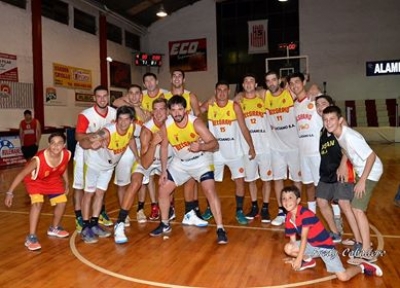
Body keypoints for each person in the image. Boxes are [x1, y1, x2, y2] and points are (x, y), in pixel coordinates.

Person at [150, 96, 228, 244]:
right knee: (163, 189)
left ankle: (220, 228)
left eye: (179, 109)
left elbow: (215, 144)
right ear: (169, 112)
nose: (177, 113)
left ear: (185, 110)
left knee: (209, 190)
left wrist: (201, 146)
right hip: (180, 162)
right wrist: (164, 170)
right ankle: (165, 224)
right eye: (173, 110)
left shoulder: (196, 123)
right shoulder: (166, 126)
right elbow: (165, 147)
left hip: (200, 160)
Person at [282, 185, 383, 280]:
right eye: (284, 198)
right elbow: (293, 241)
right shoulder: (289, 217)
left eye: (290, 198)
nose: (286, 201)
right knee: (288, 248)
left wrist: (299, 258)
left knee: (343, 277)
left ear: (298, 200)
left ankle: (362, 266)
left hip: (326, 247)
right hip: (312, 245)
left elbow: (303, 237)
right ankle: (308, 261)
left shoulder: (305, 214)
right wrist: (294, 256)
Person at [322, 105, 383, 261]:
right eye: (326, 120)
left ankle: (367, 250)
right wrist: (344, 164)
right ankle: (361, 241)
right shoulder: (337, 134)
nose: (328, 123)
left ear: (340, 120)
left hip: (370, 172)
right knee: (351, 206)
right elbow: (345, 150)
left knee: (357, 209)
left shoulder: (350, 136)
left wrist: (362, 180)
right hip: (360, 171)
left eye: (332, 119)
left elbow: (371, 157)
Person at [114, 98, 173, 244]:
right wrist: (153, 143)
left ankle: (170, 218)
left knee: (170, 183)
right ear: (152, 111)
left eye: (161, 109)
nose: (158, 113)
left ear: (167, 111)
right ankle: (120, 223)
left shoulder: (174, 124)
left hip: (168, 160)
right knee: (135, 182)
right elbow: (146, 164)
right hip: (148, 160)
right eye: (156, 109)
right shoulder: (147, 130)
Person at [79, 106, 137, 244]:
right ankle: (85, 227)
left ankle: (94, 223)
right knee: (89, 193)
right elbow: (83, 142)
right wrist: (91, 145)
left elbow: (131, 139)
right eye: (120, 119)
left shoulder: (131, 128)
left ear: (132, 121)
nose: (123, 123)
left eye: (126, 119)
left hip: (108, 167)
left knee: (100, 194)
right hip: (93, 163)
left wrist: (138, 156)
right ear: (116, 120)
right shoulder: (107, 132)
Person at [201, 80, 256, 225]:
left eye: (225, 90)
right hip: (216, 153)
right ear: (215, 91)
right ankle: (209, 208)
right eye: (219, 90)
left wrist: (251, 146)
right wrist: (206, 102)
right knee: (209, 181)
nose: (222, 93)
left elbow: (244, 128)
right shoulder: (211, 106)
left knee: (239, 181)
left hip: (234, 152)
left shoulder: (234, 106)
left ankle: (239, 211)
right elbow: (197, 112)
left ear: (229, 92)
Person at [4, 132, 71, 251]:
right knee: (37, 204)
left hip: (52, 180)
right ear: (49, 144)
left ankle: (54, 228)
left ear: (64, 145)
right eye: (53, 143)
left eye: (59, 143)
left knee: (62, 202)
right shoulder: (39, 159)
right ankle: (31, 237)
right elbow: (22, 174)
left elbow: (63, 166)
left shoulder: (66, 154)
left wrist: (66, 182)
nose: (56, 146)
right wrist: (10, 193)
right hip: (35, 181)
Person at [315, 95, 361, 246]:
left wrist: (342, 164)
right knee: (321, 201)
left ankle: (359, 241)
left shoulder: (341, 126)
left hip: (342, 172)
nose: (320, 106)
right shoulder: (323, 129)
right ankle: (335, 233)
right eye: (317, 104)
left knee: (344, 204)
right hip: (326, 175)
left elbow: (349, 146)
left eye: (323, 103)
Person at [73, 85, 116, 233]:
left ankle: (98, 214)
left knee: (100, 188)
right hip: (84, 151)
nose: (102, 99)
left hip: (104, 154)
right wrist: (96, 136)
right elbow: (78, 137)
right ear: (94, 98)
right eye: (99, 96)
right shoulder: (85, 115)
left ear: (108, 97)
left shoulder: (114, 113)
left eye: (105, 96)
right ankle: (79, 217)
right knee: (80, 186)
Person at [164, 69, 205, 224]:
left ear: (184, 79)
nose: (176, 78)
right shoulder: (165, 97)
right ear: (171, 79)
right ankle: (170, 208)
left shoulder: (191, 96)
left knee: (191, 178)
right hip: (171, 141)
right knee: (170, 178)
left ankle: (193, 209)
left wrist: (199, 137)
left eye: (179, 75)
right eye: (174, 75)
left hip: (187, 141)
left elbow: (198, 115)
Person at [263, 71, 302, 226]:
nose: (272, 83)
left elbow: (308, 90)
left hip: (294, 147)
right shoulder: (265, 95)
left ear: (279, 80)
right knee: (277, 178)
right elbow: (243, 95)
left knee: (296, 180)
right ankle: (281, 210)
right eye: (268, 81)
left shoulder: (289, 93)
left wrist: (314, 89)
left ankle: (296, 211)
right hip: (276, 147)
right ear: (266, 83)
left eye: (274, 80)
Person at [235, 73, 272, 222]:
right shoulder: (238, 103)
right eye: (246, 81)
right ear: (243, 85)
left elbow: (280, 91)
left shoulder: (263, 98)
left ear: (256, 85)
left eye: (252, 81)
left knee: (266, 179)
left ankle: (265, 208)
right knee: (251, 180)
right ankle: (255, 205)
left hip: (265, 146)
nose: (249, 83)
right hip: (247, 147)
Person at [112, 85, 147, 226]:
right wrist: (133, 106)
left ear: (141, 96)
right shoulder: (123, 108)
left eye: (137, 93)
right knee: (122, 183)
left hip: (141, 145)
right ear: (127, 95)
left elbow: (147, 119)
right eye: (131, 93)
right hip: (125, 145)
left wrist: (138, 109)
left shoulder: (146, 111)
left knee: (142, 181)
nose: (134, 96)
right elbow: (115, 101)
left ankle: (140, 210)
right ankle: (124, 212)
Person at [288, 72, 321, 214]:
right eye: (291, 83)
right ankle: (312, 214)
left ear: (304, 82)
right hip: (303, 152)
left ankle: (336, 216)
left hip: (318, 151)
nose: (295, 85)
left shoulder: (315, 99)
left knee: (325, 187)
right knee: (308, 185)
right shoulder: (295, 105)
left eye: (297, 82)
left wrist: (316, 88)